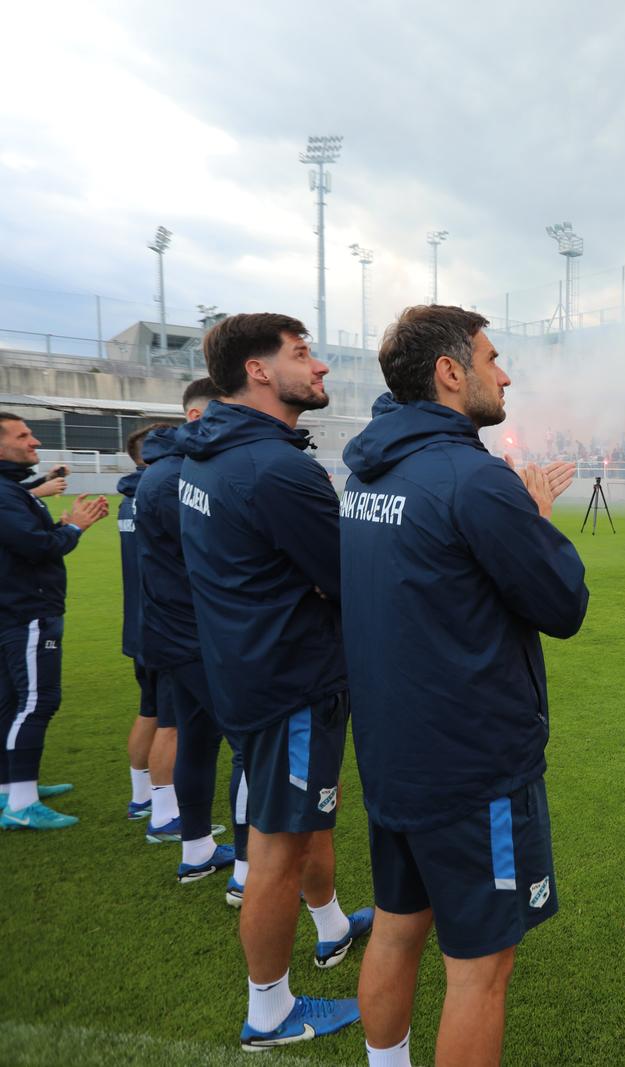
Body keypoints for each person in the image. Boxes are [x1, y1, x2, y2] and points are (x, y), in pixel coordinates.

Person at [341, 305, 588, 1067]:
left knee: (397, 924)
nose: (504, 372)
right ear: (450, 372)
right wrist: (541, 517)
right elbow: (562, 605)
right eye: (491, 357)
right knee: (481, 967)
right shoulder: (474, 479)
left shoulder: (364, 470)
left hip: (393, 751)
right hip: (471, 764)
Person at [176, 314, 370, 1049]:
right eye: (301, 354)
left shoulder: (210, 450)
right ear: (258, 371)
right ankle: (270, 1011)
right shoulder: (275, 467)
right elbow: (351, 578)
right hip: (290, 683)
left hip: (251, 670)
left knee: (303, 821)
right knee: (276, 845)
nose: (319, 367)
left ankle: (329, 927)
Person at [137, 377, 249, 892]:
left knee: (198, 740)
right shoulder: (175, 479)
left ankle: (197, 850)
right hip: (195, 636)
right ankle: (249, 874)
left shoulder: (170, 473)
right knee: (252, 745)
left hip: (177, 632)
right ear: (197, 418)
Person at [0, 413, 108, 828]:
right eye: (23, 435)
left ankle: (14, 787)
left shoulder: (11, 490)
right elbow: (34, 547)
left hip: (18, 609)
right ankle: (22, 805)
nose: (35, 441)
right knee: (36, 701)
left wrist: (61, 525)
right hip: (27, 612)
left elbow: (27, 538)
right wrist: (74, 529)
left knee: (13, 701)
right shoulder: (5, 493)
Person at [117, 425, 175, 822]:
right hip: (165, 627)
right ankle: (165, 815)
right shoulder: (161, 495)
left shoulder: (129, 498)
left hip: (139, 626)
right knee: (173, 724)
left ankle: (142, 799)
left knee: (150, 711)